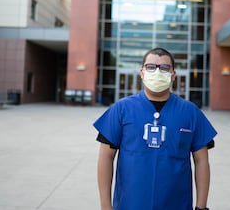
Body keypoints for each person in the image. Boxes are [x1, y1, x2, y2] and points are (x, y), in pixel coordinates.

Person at [93, 47, 217, 210]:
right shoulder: (121, 110)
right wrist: (105, 206)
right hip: (129, 204)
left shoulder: (190, 112)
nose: (157, 72)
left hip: (177, 204)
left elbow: (201, 161)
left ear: (173, 74)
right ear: (142, 72)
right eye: (151, 67)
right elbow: (106, 158)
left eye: (164, 68)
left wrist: (201, 207)